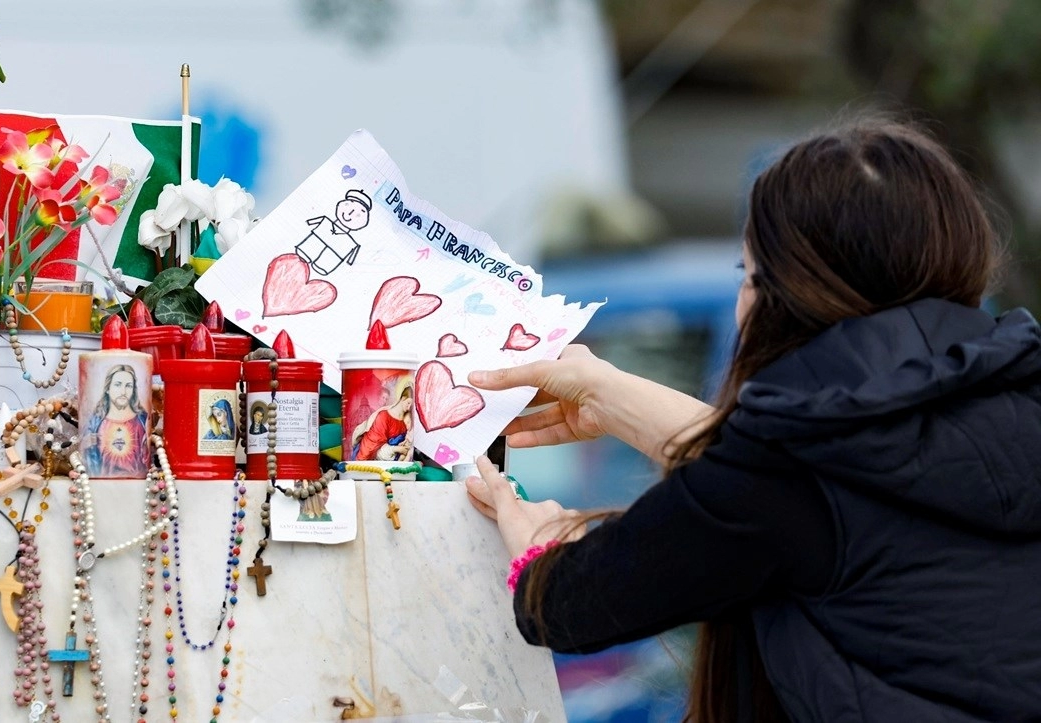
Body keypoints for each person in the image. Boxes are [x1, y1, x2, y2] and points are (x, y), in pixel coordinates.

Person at [464, 121, 1041, 721]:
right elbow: (778, 486)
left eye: (748, 275)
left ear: (786, 291)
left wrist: (537, 549)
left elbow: (568, 604)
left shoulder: (789, 464)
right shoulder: (1016, 401)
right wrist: (609, 393)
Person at [81, 364, 149, 478]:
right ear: (108, 388)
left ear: (133, 390)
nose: (123, 392)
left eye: (128, 386)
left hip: (137, 487)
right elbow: (89, 460)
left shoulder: (143, 420)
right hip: (100, 487)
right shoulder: (94, 422)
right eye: (118, 385)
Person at [351, 385, 413, 461]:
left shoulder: (406, 421)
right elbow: (375, 447)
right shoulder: (383, 416)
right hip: (375, 459)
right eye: (408, 403)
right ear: (403, 398)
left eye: (411, 405)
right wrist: (397, 449)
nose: (409, 407)